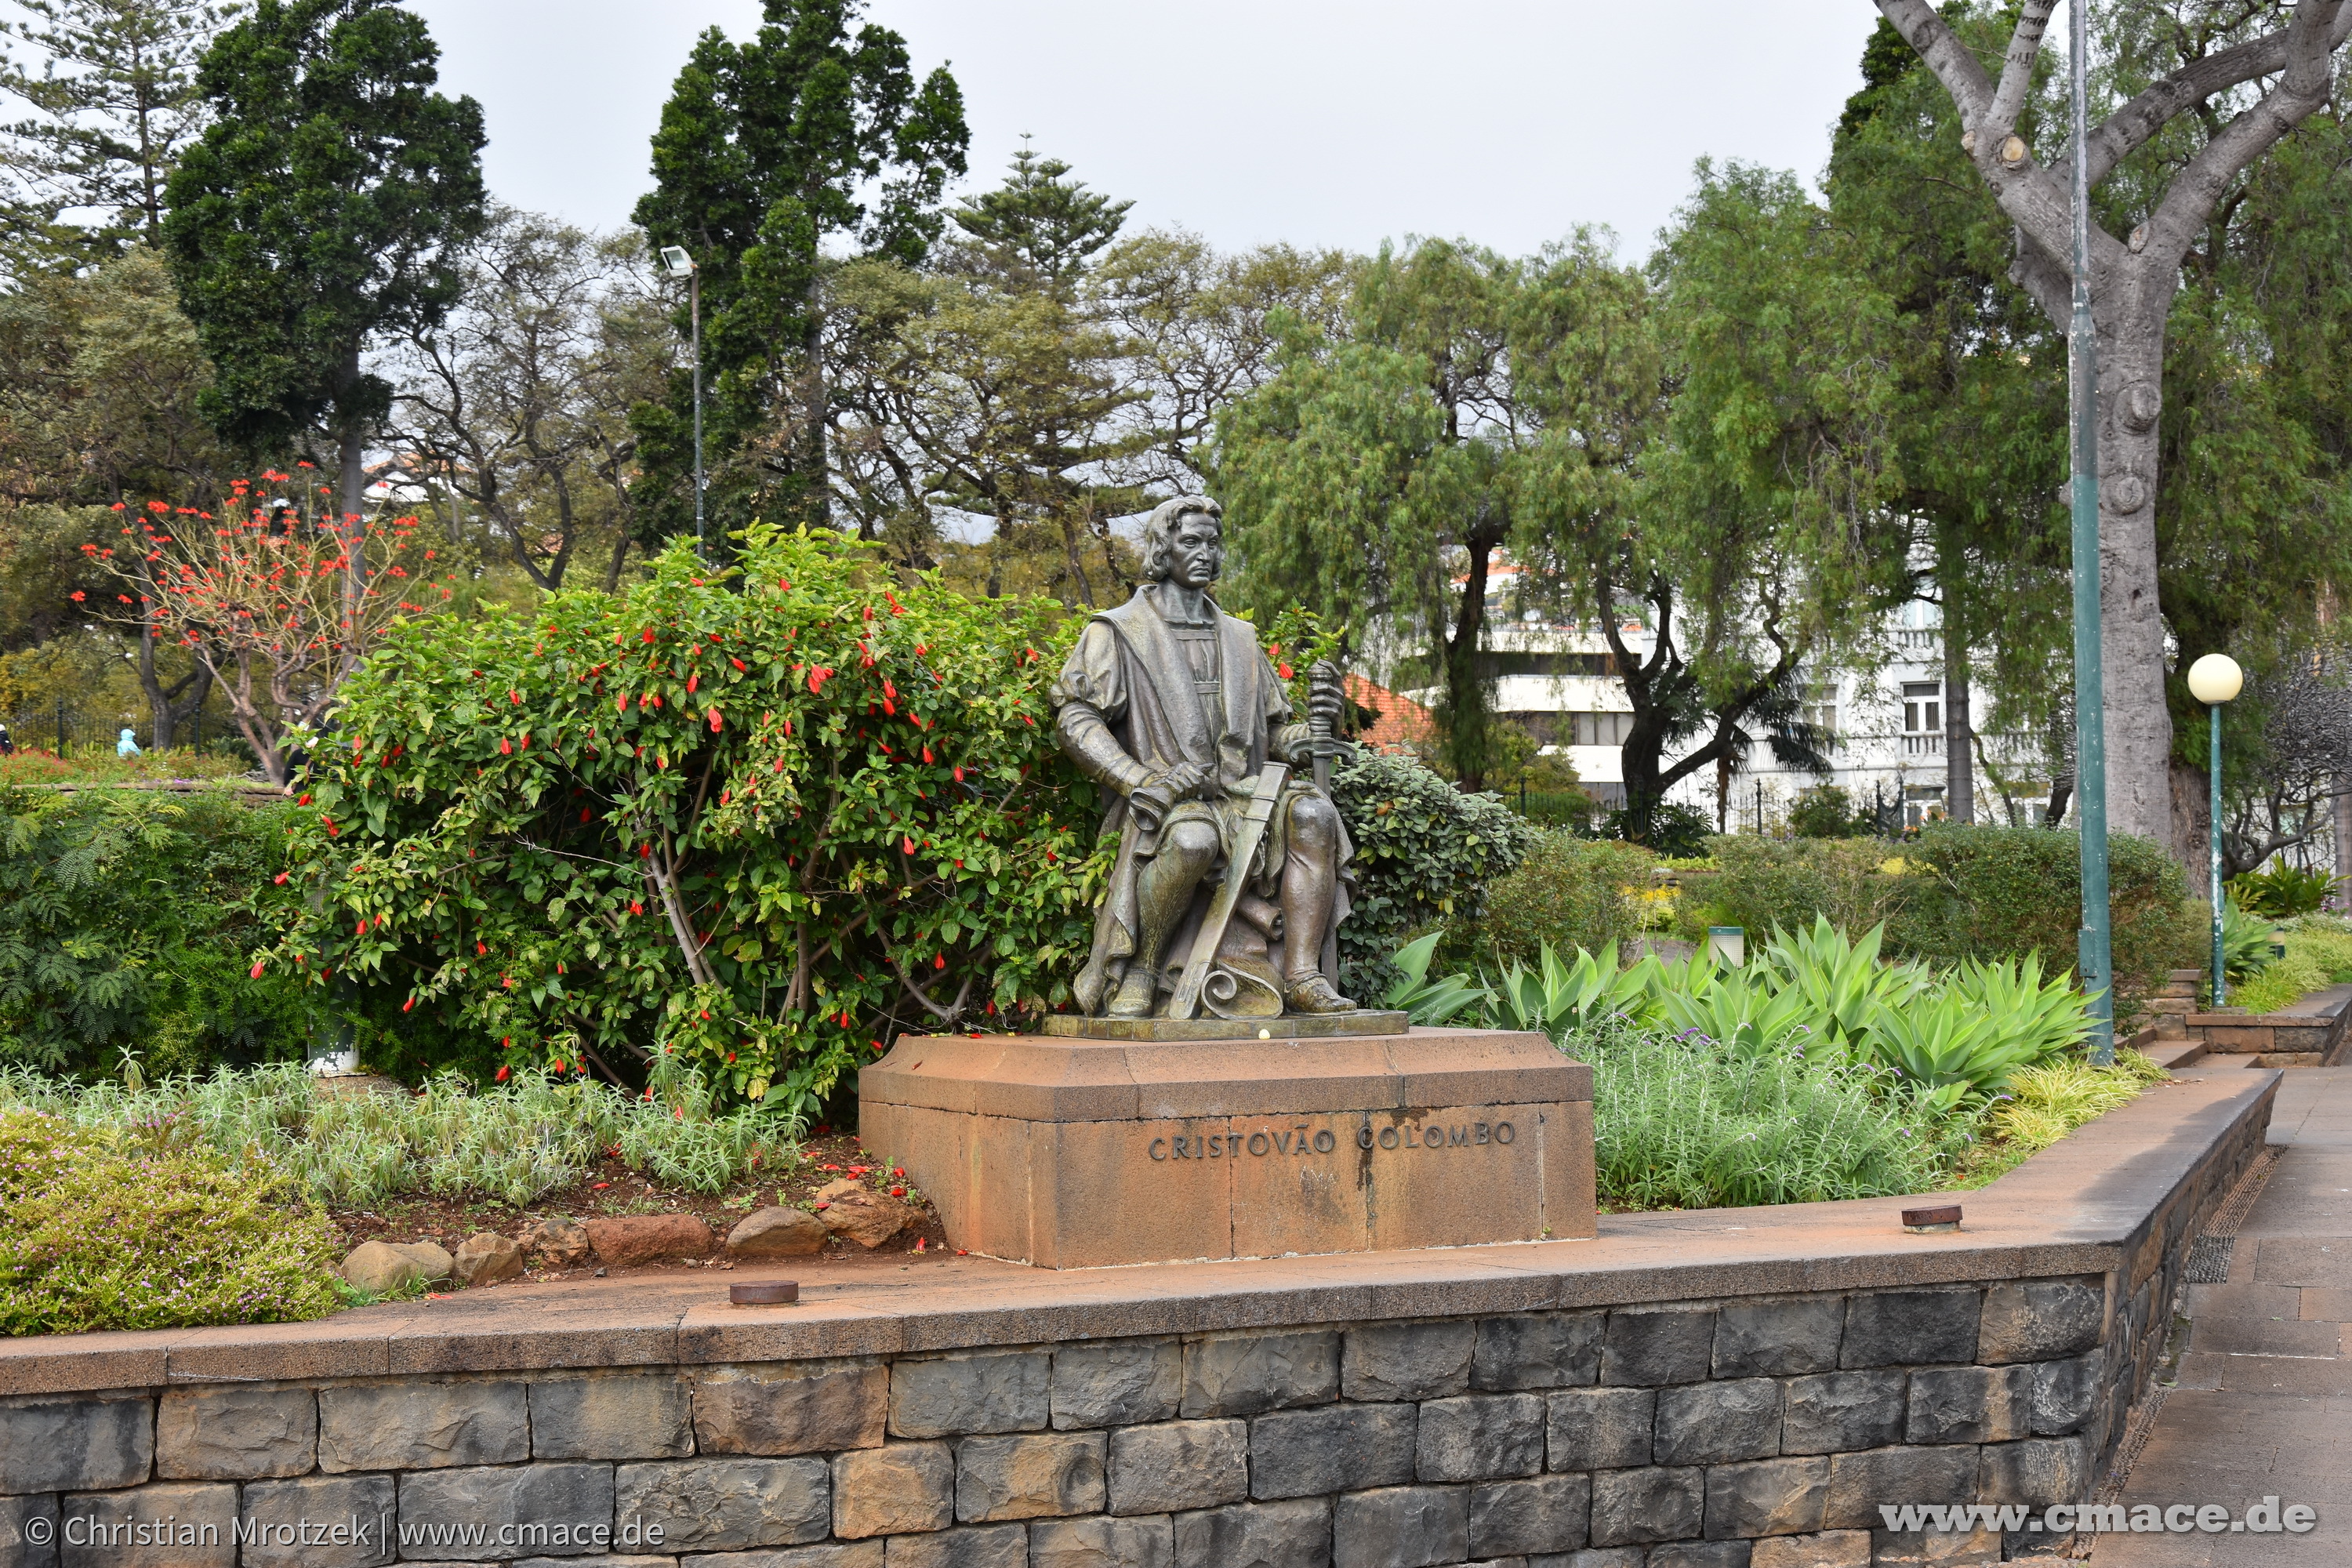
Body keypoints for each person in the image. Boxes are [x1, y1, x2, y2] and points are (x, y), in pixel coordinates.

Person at [1051, 495, 1356, 1018]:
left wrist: (1313, 730)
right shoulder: (1119, 632)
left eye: (1213, 544)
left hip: (1246, 793)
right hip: (1169, 798)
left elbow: (1275, 732)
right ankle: (1144, 970)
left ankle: (1303, 976)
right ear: (1162, 548)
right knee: (1193, 840)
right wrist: (1138, 779)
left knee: (1314, 813)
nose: (1205, 553)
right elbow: (1076, 718)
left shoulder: (1240, 637)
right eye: (1191, 541)